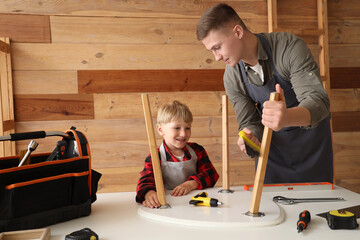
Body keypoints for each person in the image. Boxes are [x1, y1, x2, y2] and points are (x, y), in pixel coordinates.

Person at [196, 3, 333, 184]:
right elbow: (249, 122)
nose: (217, 57)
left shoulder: (289, 48)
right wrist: (249, 137)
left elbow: (319, 102)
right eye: (211, 51)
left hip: (312, 152)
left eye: (217, 47)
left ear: (237, 32)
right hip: (273, 159)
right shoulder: (231, 76)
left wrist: (286, 117)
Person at [136, 100, 219, 208]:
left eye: (187, 128)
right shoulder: (155, 156)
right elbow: (145, 181)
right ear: (160, 129)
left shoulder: (197, 150)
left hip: (195, 203)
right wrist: (149, 194)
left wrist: (191, 184)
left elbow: (211, 174)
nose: (183, 134)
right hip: (171, 205)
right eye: (177, 128)